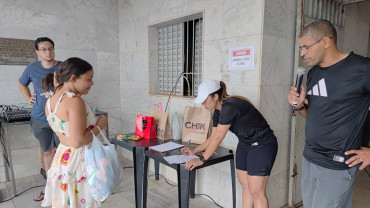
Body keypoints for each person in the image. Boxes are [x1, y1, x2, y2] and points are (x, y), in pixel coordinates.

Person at [287, 19, 370, 208]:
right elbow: (311, 115)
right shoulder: (313, 73)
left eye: (306, 47)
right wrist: (300, 106)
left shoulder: (363, 69)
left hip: (336, 164)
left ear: (325, 41)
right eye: (301, 48)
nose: (302, 54)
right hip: (310, 157)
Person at [182, 80, 278, 208]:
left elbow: (218, 139)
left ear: (215, 97)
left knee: (256, 192)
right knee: (245, 186)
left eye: (205, 100)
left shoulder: (230, 106)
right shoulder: (217, 111)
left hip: (263, 144)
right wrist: (194, 150)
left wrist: (202, 159)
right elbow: (213, 137)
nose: (203, 104)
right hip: (245, 144)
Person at [40, 57, 108, 207]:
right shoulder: (75, 101)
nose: (92, 83)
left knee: (68, 201)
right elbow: (78, 141)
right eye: (89, 79)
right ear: (73, 78)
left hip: (63, 156)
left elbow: (67, 135)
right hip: (79, 160)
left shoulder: (51, 100)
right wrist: (100, 126)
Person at [17, 37, 62, 201]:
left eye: (50, 48)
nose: (48, 52)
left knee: (63, 152)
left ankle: (64, 186)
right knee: (48, 152)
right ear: (37, 52)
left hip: (61, 117)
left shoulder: (63, 67)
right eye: (43, 49)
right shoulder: (32, 68)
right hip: (40, 118)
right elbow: (22, 83)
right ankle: (49, 187)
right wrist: (28, 97)